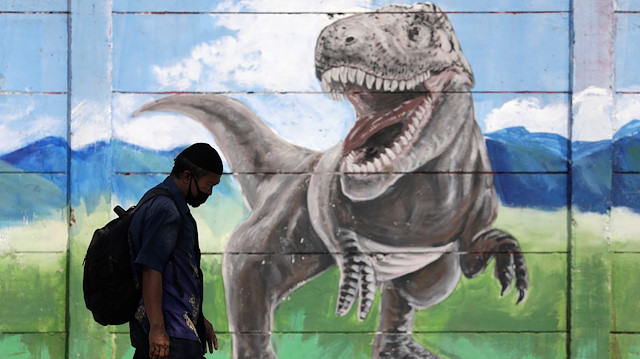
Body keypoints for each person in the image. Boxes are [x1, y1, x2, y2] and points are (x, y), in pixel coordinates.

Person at [129, 143, 222, 359]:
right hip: (172, 337)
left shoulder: (155, 201)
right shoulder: (166, 210)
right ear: (188, 176)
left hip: (172, 331)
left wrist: (199, 320)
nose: (209, 193)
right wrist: (158, 329)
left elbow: (176, 275)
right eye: (208, 185)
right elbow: (151, 269)